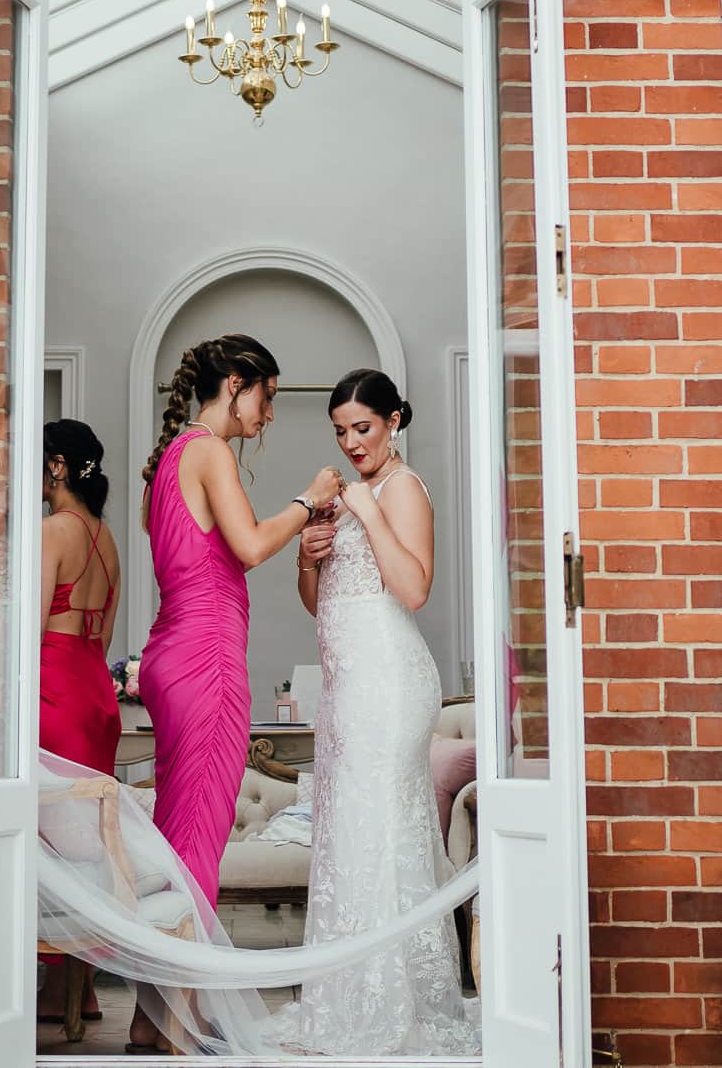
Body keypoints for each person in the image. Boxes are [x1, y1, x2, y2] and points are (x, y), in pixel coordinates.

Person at [132, 333, 341, 1052]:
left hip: (171, 653)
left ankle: (150, 1017)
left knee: (175, 837)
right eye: (269, 395)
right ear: (233, 382)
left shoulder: (168, 461)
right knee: (196, 845)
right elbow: (249, 547)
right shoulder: (209, 451)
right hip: (207, 661)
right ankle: (173, 1025)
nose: (271, 413)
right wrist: (307, 501)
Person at [276, 368, 479, 1054]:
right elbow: (324, 604)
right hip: (345, 685)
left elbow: (414, 587)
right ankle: (347, 998)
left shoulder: (402, 488)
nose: (351, 441)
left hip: (390, 682)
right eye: (340, 431)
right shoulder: (349, 495)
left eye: (362, 427)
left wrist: (363, 509)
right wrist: (308, 562)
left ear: (394, 421)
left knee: (381, 830)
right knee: (345, 833)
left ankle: (397, 1004)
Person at [36, 419, 122, 1025]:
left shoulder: (52, 532)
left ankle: (50, 987)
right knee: (85, 842)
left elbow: (33, 626)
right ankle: (81, 989)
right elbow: (107, 632)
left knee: (48, 835)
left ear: (59, 466)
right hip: (95, 690)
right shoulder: (106, 538)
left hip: (55, 686)